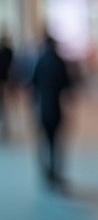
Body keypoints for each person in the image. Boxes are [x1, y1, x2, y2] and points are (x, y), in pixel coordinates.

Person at [29, 33, 74, 191]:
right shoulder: (59, 62)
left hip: (43, 107)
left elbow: (33, 84)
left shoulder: (40, 61)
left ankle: (46, 171)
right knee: (55, 142)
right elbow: (67, 84)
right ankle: (55, 171)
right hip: (56, 107)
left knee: (45, 140)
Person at [0, 33, 13, 141]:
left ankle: (5, 128)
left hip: (4, 80)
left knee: (4, 106)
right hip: (4, 80)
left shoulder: (6, 52)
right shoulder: (7, 52)